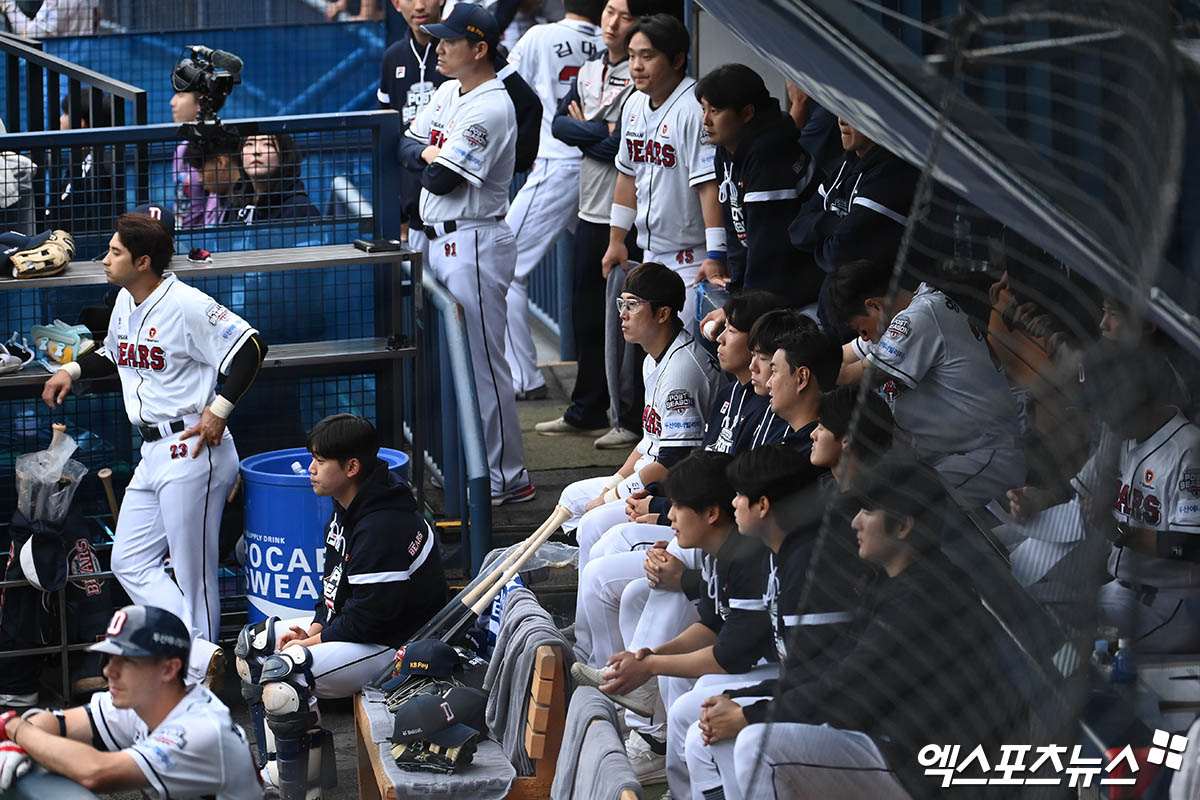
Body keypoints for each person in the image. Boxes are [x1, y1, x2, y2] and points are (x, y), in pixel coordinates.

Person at [700, 458, 1025, 800]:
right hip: (891, 741)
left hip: (932, 770)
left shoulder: (925, 595)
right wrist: (744, 699)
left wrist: (751, 714)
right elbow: (833, 665)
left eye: (867, 512)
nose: (855, 522)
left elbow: (848, 687)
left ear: (902, 527)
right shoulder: (890, 579)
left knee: (757, 744)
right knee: (729, 726)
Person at [41, 212, 268, 686]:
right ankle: (202, 654)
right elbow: (113, 352)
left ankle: (197, 679)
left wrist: (221, 408)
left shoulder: (186, 303)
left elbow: (250, 348)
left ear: (143, 261)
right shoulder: (126, 299)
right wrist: (73, 372)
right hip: (152, 451)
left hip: (193, 446)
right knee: (128, 561)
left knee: (194, 572)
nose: (104, 260)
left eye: (115, 253)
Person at [236, 414, 447, 795]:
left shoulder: (383, 524)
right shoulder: (350, 504)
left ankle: (297, 785)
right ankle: (288, 767)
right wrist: (317, 627)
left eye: (320, 461)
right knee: (253, 645)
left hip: (397, 648)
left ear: (351, 467)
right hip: (366, 631)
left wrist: (311, 644)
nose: (311, 470)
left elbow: (371, 618)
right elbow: (335, 588)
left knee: (284, 673)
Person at [573, 450, 776, 798]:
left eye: (678, 506)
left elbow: (727, 655)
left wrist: (650, 664)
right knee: (687, 708)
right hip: (763, 662)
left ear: (712, 513)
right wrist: (648, 655)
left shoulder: (748, 555)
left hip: (787, 671)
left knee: (694, 708)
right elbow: (711, 627)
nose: (668, 515)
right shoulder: (719, 551)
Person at [399, 2, 535, 505]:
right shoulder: (449, 90)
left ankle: (506, 476)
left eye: (450, 41)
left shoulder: (491, 105)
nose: (438, 47)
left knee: (482, 364)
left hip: (475, 240)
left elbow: (438, 175)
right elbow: (404, 149)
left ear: (479, 49)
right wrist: (428, 153)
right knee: (459, 362)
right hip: (442, 239)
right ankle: (480, 468)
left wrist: (428, 156)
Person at [1009, 340, 1200, 653]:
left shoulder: (1189, 451)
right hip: (1121, 589)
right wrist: (1040, 499)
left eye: (1104, 402)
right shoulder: (1122, 435)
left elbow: (1191, 545)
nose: (1098, 414)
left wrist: (1119, 532)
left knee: (1073, 647)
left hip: (1172, 601)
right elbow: (1084, 487)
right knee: (1033, 609)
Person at [0, 605, 261, 798]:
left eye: (126, 661)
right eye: (109, 659)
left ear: (169, 669)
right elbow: (56, 721)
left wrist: (15, 729)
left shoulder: (201, 729)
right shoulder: (142, 699)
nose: (108, 671)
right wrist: (22, 743)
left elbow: (94, 773)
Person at [556, 261, 724, 560]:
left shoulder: (681, 371)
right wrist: (612, 485)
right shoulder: (653, 357)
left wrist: (610, 497)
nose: (622, 313)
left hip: (678, 489)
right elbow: (649, 441)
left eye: (633, 305)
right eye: (622, 303)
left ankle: (597, 590)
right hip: (654, 475)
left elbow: (673, 460)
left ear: (663, 313)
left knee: (593, 522)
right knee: (573, 497)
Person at [533, 0, 642, 446]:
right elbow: (559, 125)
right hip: (589, 210)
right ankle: (586, 409)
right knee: (585, 318)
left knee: (632, 322)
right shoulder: (589, 69)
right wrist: (601, 134)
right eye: (609, 12)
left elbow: (624, 148)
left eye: (625, 16)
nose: (612, 23)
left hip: (627, 216)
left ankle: (630, 420)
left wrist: (595, 135)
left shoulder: (639, 84)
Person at [831, 258, 1026, 507]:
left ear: (874, 306)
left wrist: (805, 370)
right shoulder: (899, 316)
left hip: (988, 454)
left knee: (903, 510)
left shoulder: (918, 318)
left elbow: (850, 376)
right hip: (957, 455)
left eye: (860, 328)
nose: (864, 337)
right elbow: (841, 356)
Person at [502, 0, 604, 401]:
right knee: (601, 274)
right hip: (601, 167)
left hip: (557, 163)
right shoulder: (612, 43)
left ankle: (523, 379)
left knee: (504, 268)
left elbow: (509, 94)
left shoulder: (539, 36)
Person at [381, 0, 543, 250]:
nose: (420, 6)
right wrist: (427, 155)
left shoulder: (468, 54)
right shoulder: (397, 58)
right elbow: (394, 139)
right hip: (419, 212)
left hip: (465, 222)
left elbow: (529, 105)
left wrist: (502, 162)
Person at [603, 13, 723, 331]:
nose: (636, 65)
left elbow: (709, 186)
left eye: (648, 56)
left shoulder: (694, 108)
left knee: (679, 353)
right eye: (631, 56)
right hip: (651, 253)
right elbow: (628, 176)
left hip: (691, 259)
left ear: (677, 59)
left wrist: (716, 254)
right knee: (653, 355)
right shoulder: (633, 105)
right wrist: (617, 240)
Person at [694, 64, 820, 310]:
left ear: (748, 113)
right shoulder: (726, 148)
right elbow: (734, 225)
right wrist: (737, 290)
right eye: (703, 109)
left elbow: (769, 246)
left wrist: (742, 309)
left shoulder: (768, 154)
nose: (706, 120)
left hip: (800, 281)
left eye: (716, 111)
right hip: (770, 279)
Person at [788, 118, 917, 328]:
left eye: (854, 114)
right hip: (834, 316)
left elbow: (837, 255)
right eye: (840, 111)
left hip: (872, 323)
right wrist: (838, 224)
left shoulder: (891, 174)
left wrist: (821, 238)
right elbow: (796, 229)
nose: (841, 120)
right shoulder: (848, 165)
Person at [43, 92, 121, 237]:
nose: (60, 119)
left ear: (81, 123)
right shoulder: (84, 160)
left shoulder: (95, 166)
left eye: (65, 113)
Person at [233, 132, 321, 224]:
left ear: (284, 155)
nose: (256, 151)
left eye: (267, 144)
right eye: (249, 144)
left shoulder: (297, 208)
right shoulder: (237, 206)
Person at [182, 128, 243, 226]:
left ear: (220, 163)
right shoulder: (214, 199)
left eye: (201, 171)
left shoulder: (250, 201)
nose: (199, 179)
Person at [170, 90, 209, 228]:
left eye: (180, 95)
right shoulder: (181, 150)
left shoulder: (215, 148)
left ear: (200, 105)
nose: (172, 102)